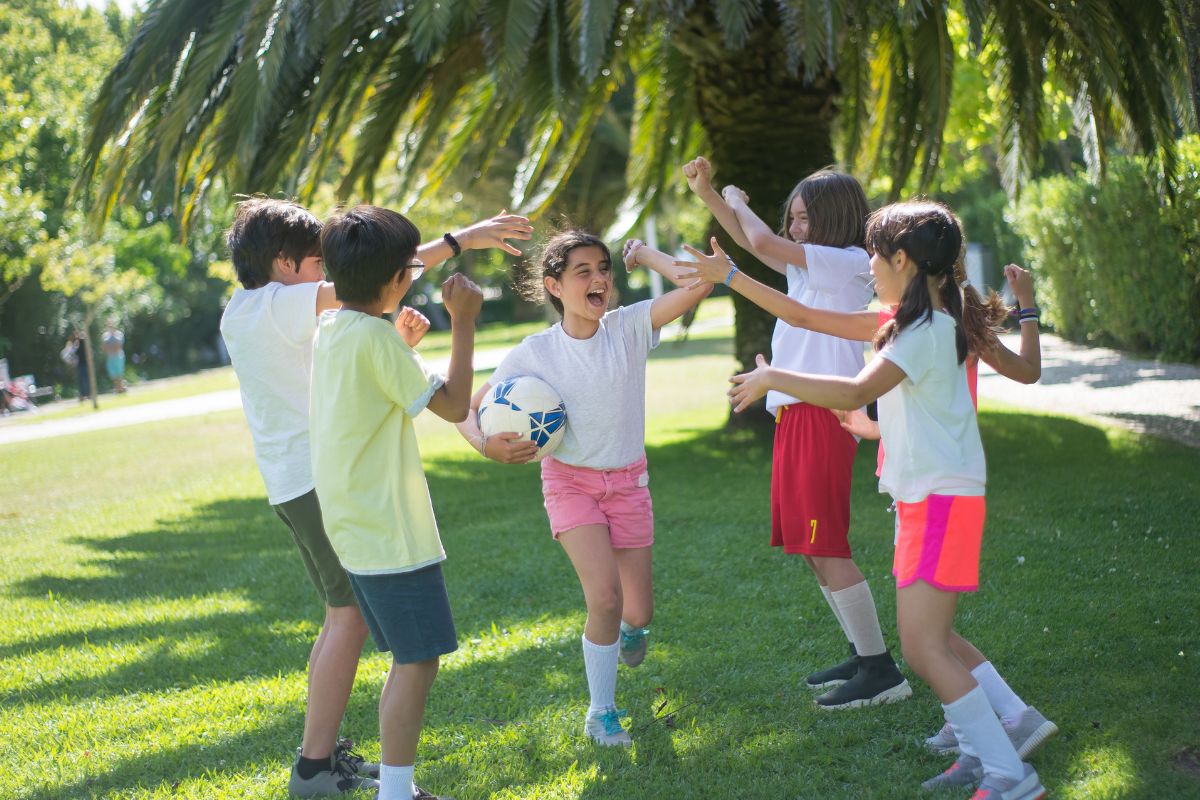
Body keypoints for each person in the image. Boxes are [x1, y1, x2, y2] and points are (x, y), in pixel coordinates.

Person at [680, 238, 1059, 779]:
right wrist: (732, 276)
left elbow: (856, 388)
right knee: (931, 638)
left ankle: (1008, 774)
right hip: (921, 492)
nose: (868, 267)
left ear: (903, 261)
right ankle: (984, 747)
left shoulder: (924, 328)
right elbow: (808, 316)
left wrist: (773, 377)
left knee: (925, 645)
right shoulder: (911, 322)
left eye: (874, 256)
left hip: (939, 496)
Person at [220, 196, 531, 797]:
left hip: (303, 481)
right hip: (328, 484)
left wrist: (402, 339)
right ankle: (316, 769)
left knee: (346, 616)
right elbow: (374, 273)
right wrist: (462, 248)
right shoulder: (285, 305)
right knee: (354, 619)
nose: (328, 276)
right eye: (318, 263)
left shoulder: (252, 311)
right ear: (284, 264)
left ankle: (321, 757)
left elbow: (372, 287)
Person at [454, 229, 710, 746]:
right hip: (570, 484)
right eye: (583, 272)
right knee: (606, 599)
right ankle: (602, 713)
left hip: (629, 481)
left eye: (604, 268)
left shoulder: (630, 327)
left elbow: (699, 284)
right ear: (554, 285)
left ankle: (631, 633)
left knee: (638, 612)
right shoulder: (535, 352)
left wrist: (645, 255)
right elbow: (463, 404)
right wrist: (485, 444)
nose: (599, 279)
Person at [681, 156, 909, 709]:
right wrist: (711, 193)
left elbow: (758, 240)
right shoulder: (815, 269)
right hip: (796, 412)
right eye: (793, 219)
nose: (794, 229)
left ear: (833, 218)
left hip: (820, 412)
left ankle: (881, 671)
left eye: (804, 218)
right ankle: (864, 653)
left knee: (825, 541)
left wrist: (737, 198)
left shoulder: (845, 261)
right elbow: (754, 242)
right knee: (811, 545)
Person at [310, 205, 484, 800]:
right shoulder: (376, 340)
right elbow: (457, 406)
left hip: (354, 525)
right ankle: (396, 793)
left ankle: (398, 790)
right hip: (388, 531)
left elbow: (371, 387)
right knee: (418, 660)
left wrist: (400, 343)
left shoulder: (334, 327)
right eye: (410, 266)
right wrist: (463, 322)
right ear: (396, 279)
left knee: (410, 656)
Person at [101, 319, 127, 394]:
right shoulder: (105, 335)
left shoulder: (119, 334)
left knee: (119, 374)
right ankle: (118, 389)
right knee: (113, 375)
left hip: (118, 356)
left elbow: (118, 347)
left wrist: (110, 346)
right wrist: (111, 347)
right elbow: (104, 348)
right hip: (110, 357)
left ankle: (121, 389)